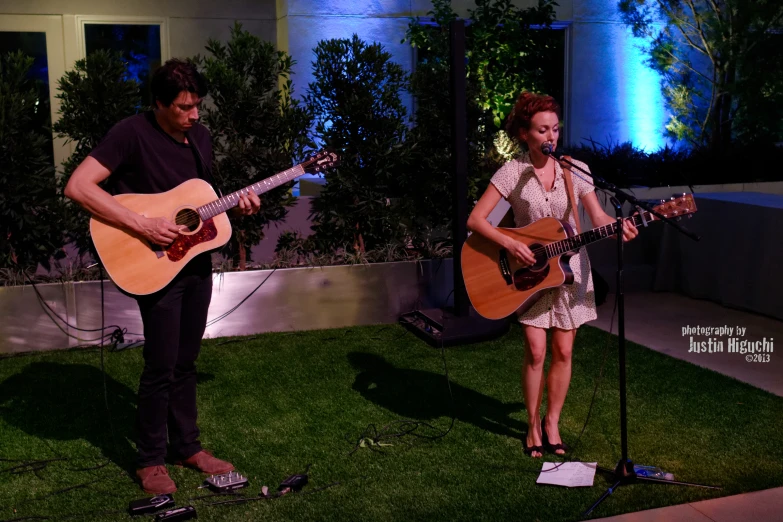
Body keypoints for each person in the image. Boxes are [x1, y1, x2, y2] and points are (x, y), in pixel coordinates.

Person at [64, 59, 261, 493]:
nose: (194, 115)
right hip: (153, 263)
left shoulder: (201, 139)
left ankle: (187, 446)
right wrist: (142, 224)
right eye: (184, 107)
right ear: (158, 104)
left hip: (195, 262)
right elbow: (79, 187)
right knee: (161, 364)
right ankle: (149, 458)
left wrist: (240, 204)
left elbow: (199, 202)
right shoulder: (131, 133)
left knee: (186, 361)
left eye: (198, 106)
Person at [466, 92, 638, 458]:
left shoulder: (575, 170)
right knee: (535, 349)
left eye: (556, 129)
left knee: (563, 349)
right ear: (525, 133)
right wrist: (510, 244)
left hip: (571, 271)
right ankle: (531, 425)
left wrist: (620, 224)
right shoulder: (512, 171)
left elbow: (598, 217)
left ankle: (552, 422)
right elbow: (475, 220)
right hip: (529, 272)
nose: (551, 137)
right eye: (543, 130)